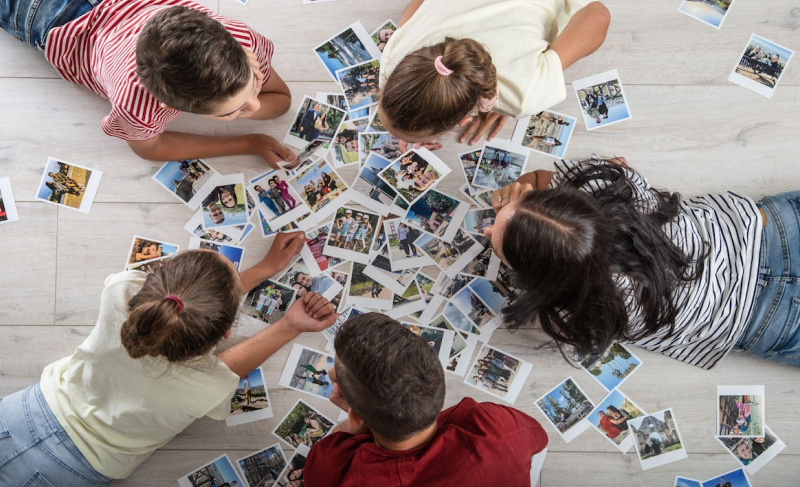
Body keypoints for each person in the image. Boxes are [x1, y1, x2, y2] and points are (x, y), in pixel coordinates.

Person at [0, 232, 338, 486]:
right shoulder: (213, 385)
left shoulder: (120, 291)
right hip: (73, 468)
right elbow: (224, 366)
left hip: (24, 410)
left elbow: (187, 300)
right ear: (224, 335)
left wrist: (263, 268)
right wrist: (290, 324)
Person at [0, 0, 295, 166]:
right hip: (39, 8)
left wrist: (238, 105)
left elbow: (281, 103)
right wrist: (247, 142)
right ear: (170, 109)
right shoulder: (136, 108)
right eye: (237, 110)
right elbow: (154, 149)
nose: (255, 106)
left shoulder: (242, 39)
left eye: (250, 85)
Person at [484, 155, 800, 370]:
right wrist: (525, 197)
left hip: (763, 319)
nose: (486, 228)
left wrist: (511, 244)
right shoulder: (606, 187)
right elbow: (550, 175)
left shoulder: (586, 314)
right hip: (769, 230)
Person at [377, 0, 613, 151]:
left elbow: (597, 14)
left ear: (462, 120)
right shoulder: (394, 55)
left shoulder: (525, 95)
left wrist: (519, 88)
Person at [304, 313, 547, 486]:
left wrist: (360, 419)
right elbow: (539, 438)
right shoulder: (495, 430)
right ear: (440, 375)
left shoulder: (330, 470)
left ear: (354, 415)